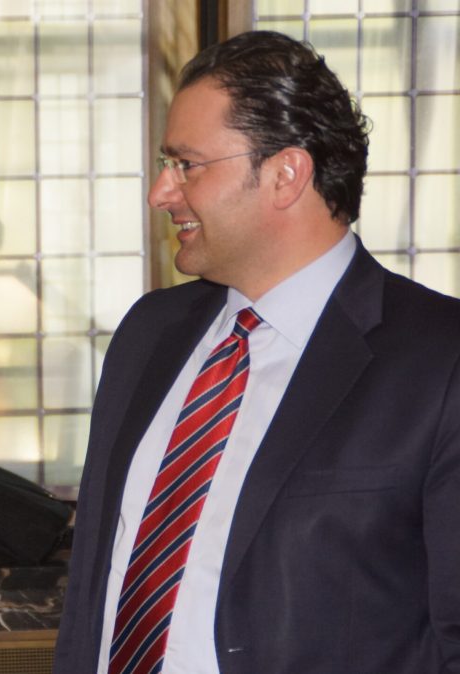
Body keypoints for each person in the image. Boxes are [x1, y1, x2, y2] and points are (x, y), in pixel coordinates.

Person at [53, 30, 460, 674]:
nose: (161, 192)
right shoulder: (147, 334)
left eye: (187, 164)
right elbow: (90, 593)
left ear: (285, 174)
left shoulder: (441, 360)